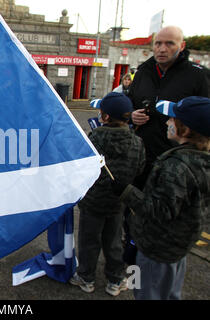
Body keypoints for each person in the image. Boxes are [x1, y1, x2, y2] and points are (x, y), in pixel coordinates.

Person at [112, 96, 210, 300]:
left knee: (147, 292)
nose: (167, 122)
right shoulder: (201, 160)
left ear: (187, 129)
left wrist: (126, 192)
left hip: (156, 249)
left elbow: (158, 210)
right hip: (177, 247)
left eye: (173, 120)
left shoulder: (177, 167)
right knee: (169, 292)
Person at [69, 92, 145, 297]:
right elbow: (139, 168)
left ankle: (86, 277)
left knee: (89, 241)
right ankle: (115, 279)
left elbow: (82, 167)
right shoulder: (137, 142)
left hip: (93, 203)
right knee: (114, 241)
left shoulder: (95, 137)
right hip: (119, 203)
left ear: (106, 117)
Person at [128, 25, 208, 189]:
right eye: (158, 43)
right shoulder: (143, 71)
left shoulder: (198, 75)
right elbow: (129, 100)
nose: (162, 49)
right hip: (141, 157)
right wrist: (131, 114)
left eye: (169, 43)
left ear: (182, 46)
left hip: (179, 164)